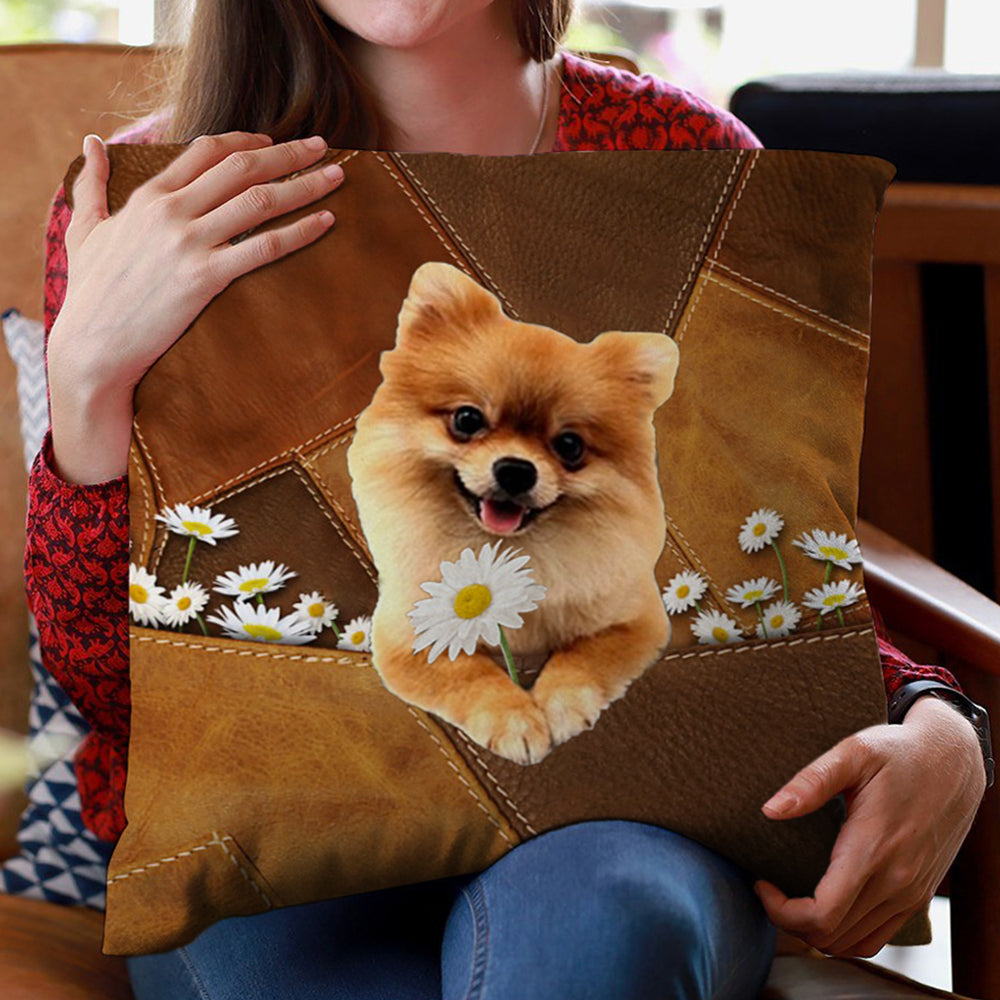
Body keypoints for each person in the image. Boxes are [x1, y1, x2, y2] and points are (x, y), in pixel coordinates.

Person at [24, 1, 987, 997]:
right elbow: (105, 679)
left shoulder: (691, 167)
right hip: (268, 823)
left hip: (620, 821)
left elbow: (751, 558)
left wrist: (935, 713)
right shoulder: (154, 206)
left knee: (600, 924)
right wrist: (89, 382)